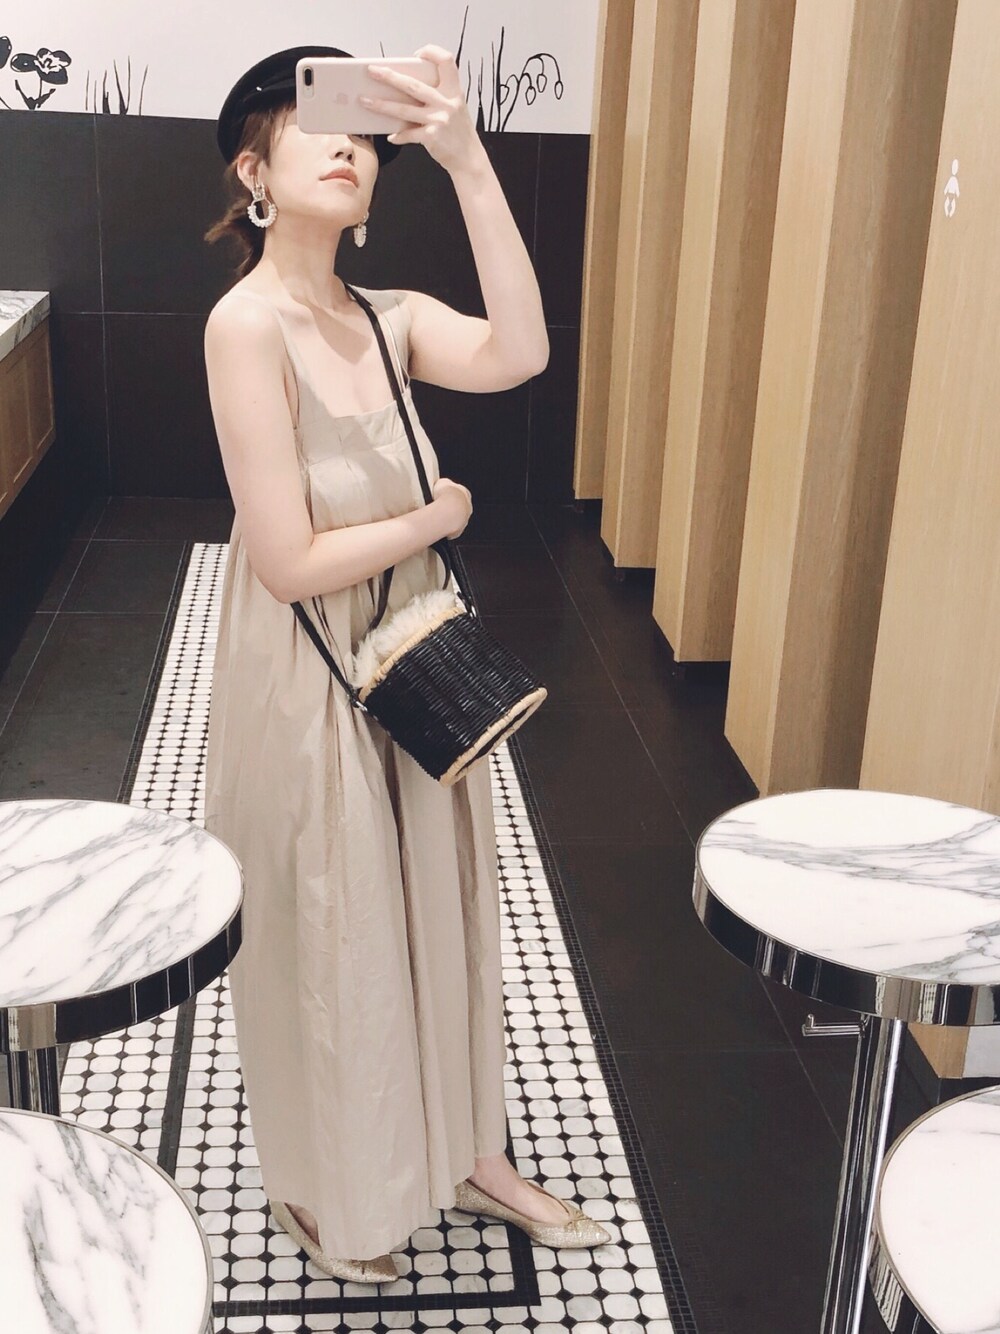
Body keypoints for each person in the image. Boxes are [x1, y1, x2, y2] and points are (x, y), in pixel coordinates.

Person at [201, 42, 611, 1282]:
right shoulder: (245, 325)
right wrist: (437, 515)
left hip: (412, 657)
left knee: (441, 898)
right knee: (331, 921)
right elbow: (287, 562)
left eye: (362, 134)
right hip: (310, 674)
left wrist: (469, 160)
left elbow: (523, 350)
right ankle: (321, 1180)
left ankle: (468, 1149)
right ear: (253, 170)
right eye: (308, 123)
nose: (346, 146)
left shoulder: (389, 319)